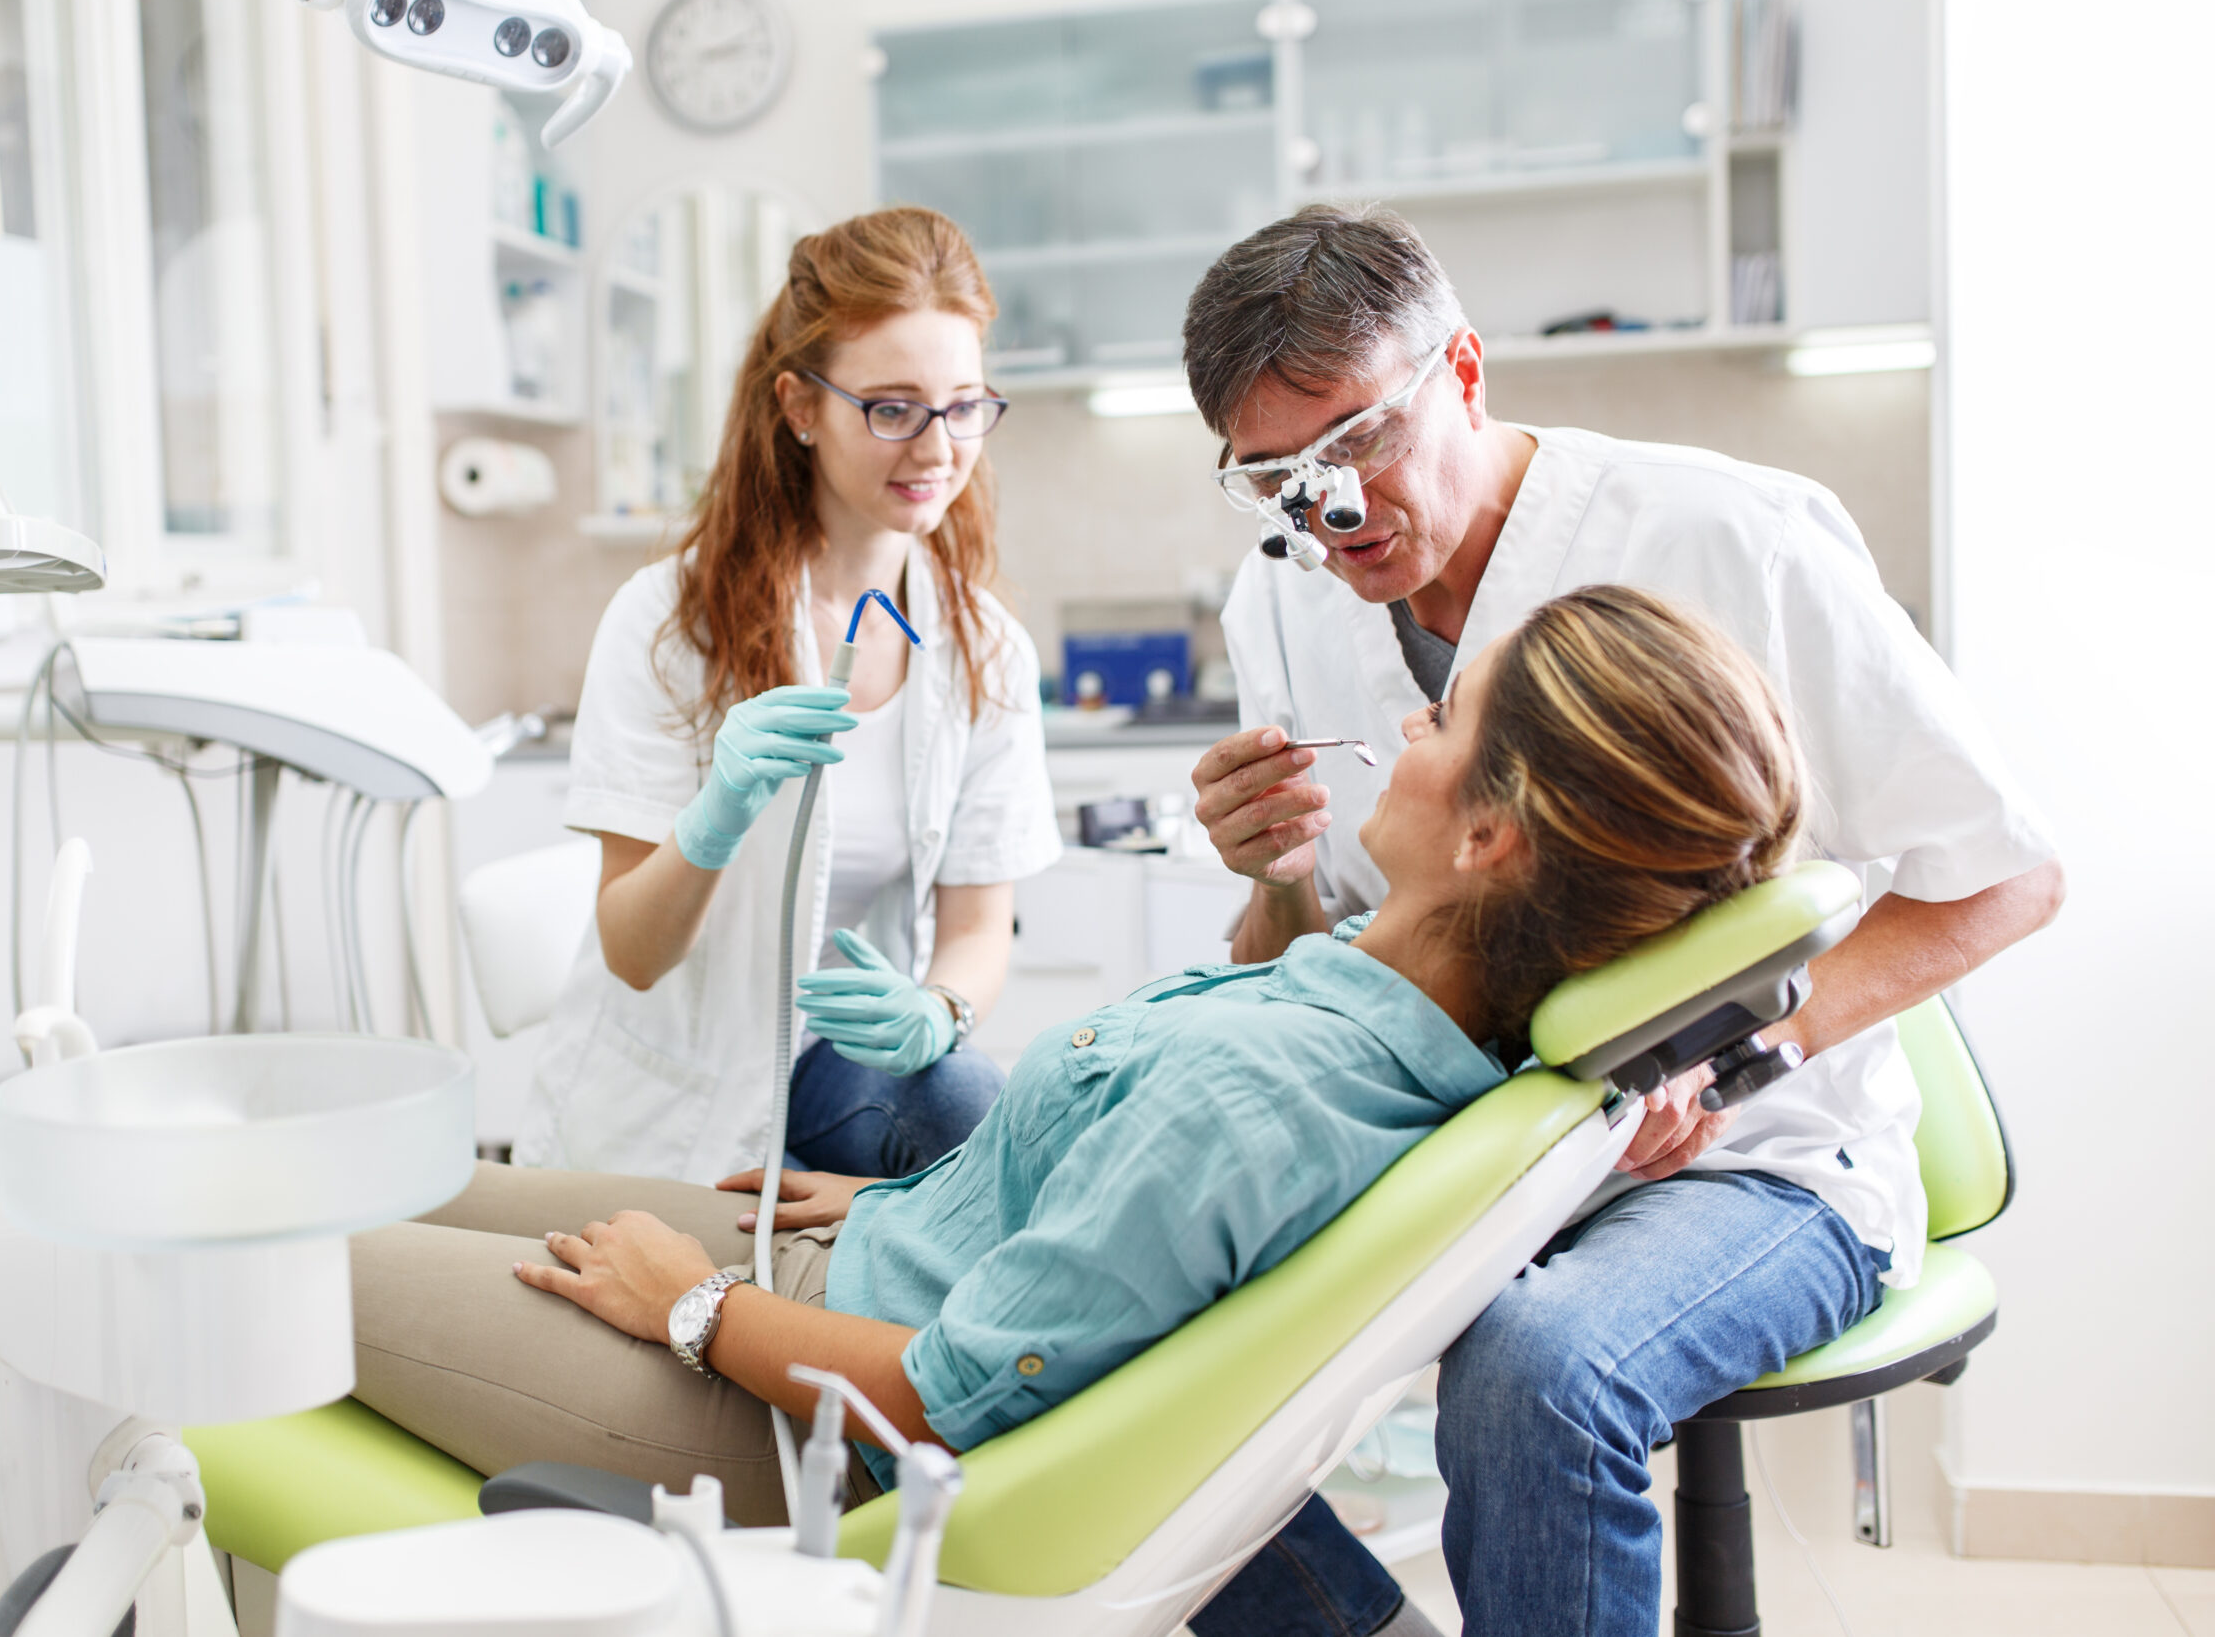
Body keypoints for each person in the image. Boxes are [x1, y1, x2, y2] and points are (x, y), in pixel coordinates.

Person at [349, 588, 1811, 1545]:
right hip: (862, 1265)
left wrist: (694, 1301)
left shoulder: (1262, 1098)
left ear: (1491, 836)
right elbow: (1108, 1250)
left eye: (1439, 718)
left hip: (803, 1410)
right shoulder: (1381, 1018)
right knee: (385, 1182)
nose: (1402, 730)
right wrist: (917, 1205)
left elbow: (937, 1404)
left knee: (283, 1265)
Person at [1179, 205, 2065, 1637]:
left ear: (1464, 369)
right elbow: (1313, 953)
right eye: (1277, 477)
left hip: (1756, 1160)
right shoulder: (1278, 603)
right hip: (1465, 1158)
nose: (1330, 510)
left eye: (1359, 441)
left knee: (1538, 1367)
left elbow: (2006, 875)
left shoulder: (1728, 536)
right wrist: (1272, 871)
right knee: (1131, 1308)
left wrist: (1736, 1062)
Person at [517, 207, 1061, 1185]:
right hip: (676, 1094)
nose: (937, 449)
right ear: (801, 406)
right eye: (892, 409)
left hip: (838, 1076)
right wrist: (714, 819)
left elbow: (979, 930)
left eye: (963, 406)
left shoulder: (985, 649)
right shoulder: (666, 621)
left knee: (972, 1108)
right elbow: (633, 954)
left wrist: (937, 1009)